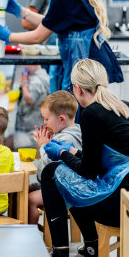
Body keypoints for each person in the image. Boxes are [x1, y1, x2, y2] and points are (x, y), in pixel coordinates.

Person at [40, 59, 129, 257]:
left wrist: (62, 153)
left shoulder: (91, 113)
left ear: (78, 89)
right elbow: (105, 159)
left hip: (120, 204)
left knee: (52, 174)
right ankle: (92, 248)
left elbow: (88, 171)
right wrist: (74, 152)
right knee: (71, 175)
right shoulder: (125, 107)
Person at [28, 91, 82, 225]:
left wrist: (42, 146)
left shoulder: (67, 138)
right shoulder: (70, 132)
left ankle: (30, 234)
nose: (44, 122)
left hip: (64, 189)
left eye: (46, 119)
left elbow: (50, 166)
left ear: (62, 119)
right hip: (54, 184)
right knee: (23, 188)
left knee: (30, 200)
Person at [8, 65, 50, 149]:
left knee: (8, 142)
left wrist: (23, 84)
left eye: (27, 64)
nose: (25, 67)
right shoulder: (44, 75)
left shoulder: (36, 80)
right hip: (34, 125)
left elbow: (30, 99)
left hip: (32, 128)